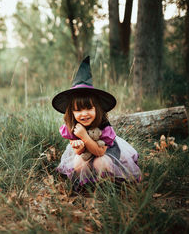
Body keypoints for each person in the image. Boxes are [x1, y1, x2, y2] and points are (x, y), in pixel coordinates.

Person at [51, 56, 141, 189]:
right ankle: (88, 186)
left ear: (97, 108)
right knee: (78, 163)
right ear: (72, 113)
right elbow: (79, 151)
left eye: (89, 108)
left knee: (100, 163)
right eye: (78, 110)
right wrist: (78, 144)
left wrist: (84, 136)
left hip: (106, 152)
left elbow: (99, 152)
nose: (84, 114)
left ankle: (109, 186)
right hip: (85, 152)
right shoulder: (72, 126)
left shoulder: (104, 127)